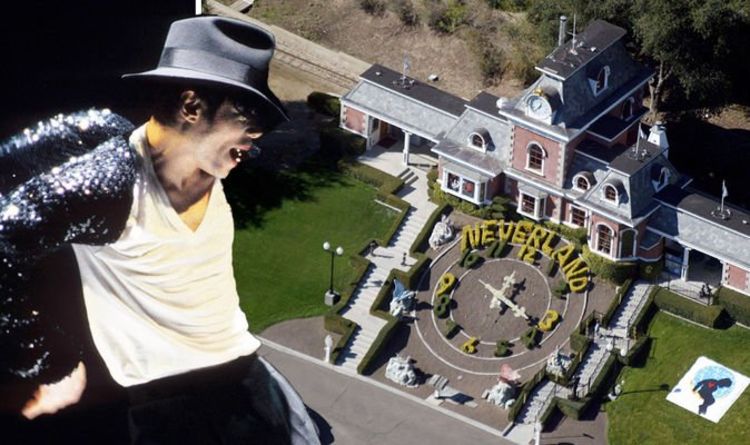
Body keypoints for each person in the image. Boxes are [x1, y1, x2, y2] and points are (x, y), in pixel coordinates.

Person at [0, 16, 320, 444]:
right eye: (246, 114)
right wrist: (47, 362)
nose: (256, 133)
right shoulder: (113, 182)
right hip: (175, 405)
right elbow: (7, 239)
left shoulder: (205, 163)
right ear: (191, 107)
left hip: (245, 376)